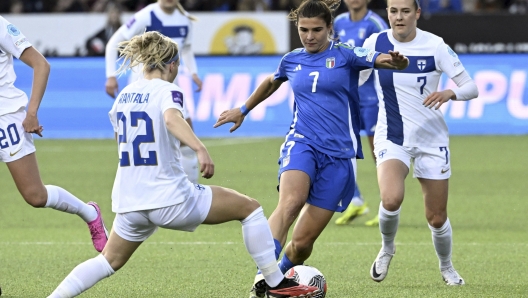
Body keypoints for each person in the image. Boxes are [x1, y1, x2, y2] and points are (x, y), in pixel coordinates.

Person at [47, 31, 320, 298]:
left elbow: (123, 139)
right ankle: (275, 282)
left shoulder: (124, 96)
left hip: (129, 199)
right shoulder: (169, 91)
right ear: (173, 64)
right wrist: (200, 148)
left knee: (108, 262)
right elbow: (170, 119)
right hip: (169, 197)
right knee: (250, 209)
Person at [213, 0, 409, 297]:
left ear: (330, 28)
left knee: (302, 244)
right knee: (291, 201)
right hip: (301, 142)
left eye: (317, 30)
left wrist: (396, 61)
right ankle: (262, 277)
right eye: (304, 30)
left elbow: (381, 59)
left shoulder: (346, 55)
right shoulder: (292, 60)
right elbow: (271, 81)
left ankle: (274, 279)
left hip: (340, 157)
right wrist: (243, 108)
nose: (310, 36)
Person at [360, 0, 478, 286]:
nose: (398, 17)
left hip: (431, 139)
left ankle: (446, 267)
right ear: (387, 13)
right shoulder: (375, 42)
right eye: (393, 11)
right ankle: (387, 248)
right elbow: (357, 76)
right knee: (390, 198)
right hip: (392, 136)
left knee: (436, 217)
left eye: (405, 11)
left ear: (417, 14)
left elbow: (471, 87)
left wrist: (450, 93)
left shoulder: (435, 46)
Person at [0, 16, 108, 254]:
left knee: (35, 196)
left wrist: (31, 114)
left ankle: (89, 213)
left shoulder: (1, 26)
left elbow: (41, 65)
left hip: (6, 117)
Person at [105, 0, 202, 184]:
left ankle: (190, 188)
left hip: (170, 86)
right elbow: (113, 44)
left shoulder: (185, 19)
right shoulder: (146, 15)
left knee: (186, 142)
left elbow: (186, 48)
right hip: (143, 85)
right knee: (139, 139)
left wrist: (193, 72)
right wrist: (111, 76)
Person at [332, 0, 389, 227]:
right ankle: (355, 200)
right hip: (346, 98)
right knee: (340, 149)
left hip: (372, 99)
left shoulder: (375, 23)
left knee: (379, 153)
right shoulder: (337, 22)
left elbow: (387, 57)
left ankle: (387, 206)